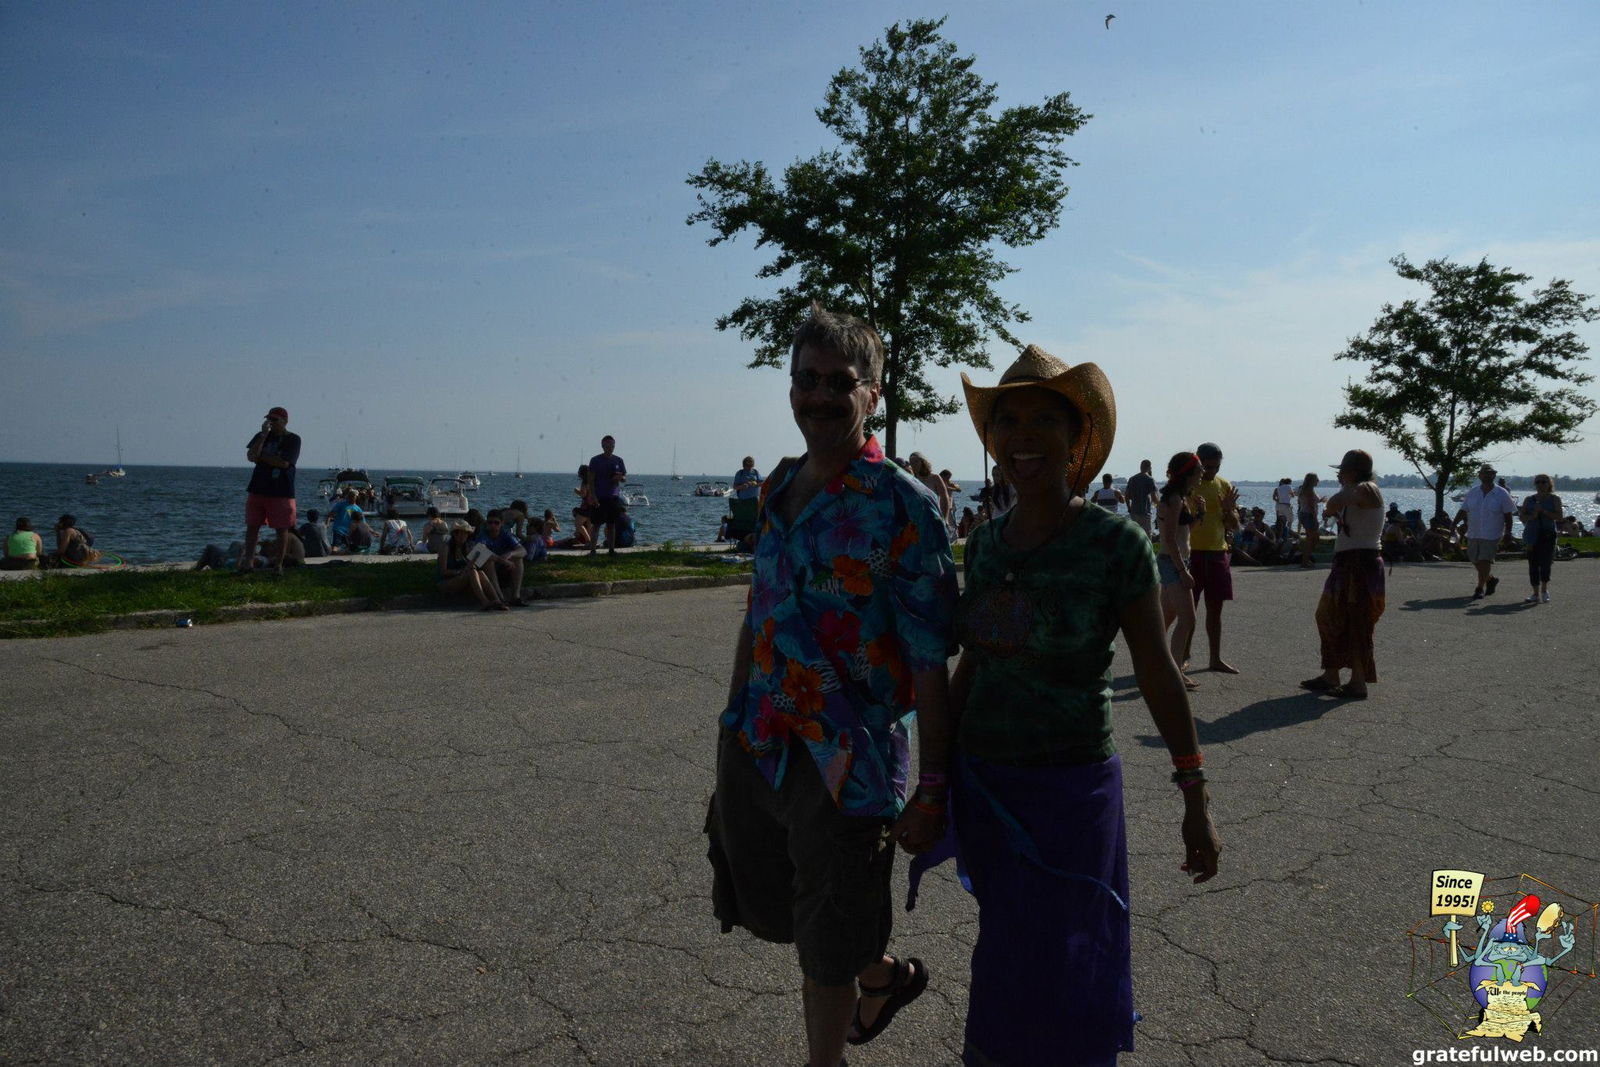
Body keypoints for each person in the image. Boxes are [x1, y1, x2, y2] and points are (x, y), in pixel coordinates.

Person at [919, 345, 1218, 1067]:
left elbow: (1157, 671)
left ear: (1077, 435)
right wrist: (931, 785)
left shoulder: (1115, 543)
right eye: (1007, 420)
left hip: (1072, 791)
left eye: (1043, 420)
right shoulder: (984, 545)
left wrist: (1194, 793)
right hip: (988, 784)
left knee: (1075, 949)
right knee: (1006, 945)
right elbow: (971, 668)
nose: (1022, 436)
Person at [705, 303, 957, 1067]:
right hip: (760, 741)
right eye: (805, 379)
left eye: (839, 382)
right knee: (788, 907)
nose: (819, 395)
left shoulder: (903, 505)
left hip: (848, 759)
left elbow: (929, 660)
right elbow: (760, 610)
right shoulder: (777, 485)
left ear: (873, 393)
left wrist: (933, 787)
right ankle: (880, 977)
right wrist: (732, 716)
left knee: (826, 931)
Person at [1301, 449, 1385, 700]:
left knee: (1358, 622)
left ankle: (1358, 683)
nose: (1339, 475)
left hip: (1361, 563)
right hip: (1348, 562)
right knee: (1329, 616)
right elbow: (1337, 504)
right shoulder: (1357, 490)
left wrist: (1334, 503)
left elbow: (1335, 502)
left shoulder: (1367, 488)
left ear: (1355, 472)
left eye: (1343, 471)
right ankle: (1331, 674)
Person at [1186, 442, 1241, 673]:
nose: (1212, 472)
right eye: (1207, 467)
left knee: (1215, 609)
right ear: (1198, 462)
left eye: (1216, 467)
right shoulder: (1189, 485)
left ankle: (1215, 658)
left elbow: (1235, 525)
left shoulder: (1224, 485)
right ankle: (1183, 656)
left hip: (1218, 552)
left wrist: (1229, 510)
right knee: (1189, 610)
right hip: (1192, 553)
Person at [1156, 453, 1204, 691]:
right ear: (1188, 473)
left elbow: (1185, 531)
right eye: (1200, 469)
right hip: (1173, 562)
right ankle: (1174, 673)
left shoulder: (1180, 497)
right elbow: (1169, 538)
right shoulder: (1174, 499)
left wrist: (1200, 514)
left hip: (1175, 561)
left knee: (1166, 618)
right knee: (1188, 619)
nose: (1202, 473)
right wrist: (1182, 570)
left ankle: (1157, 664)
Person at [240, 406, 301, 575]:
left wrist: (261, 457)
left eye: (275, 419)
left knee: (281, 529)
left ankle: (278, 566)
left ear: (285, 421)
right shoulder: (261, 436)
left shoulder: (293, 439)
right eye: (269, 419)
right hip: (257, 488)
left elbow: (284, 463)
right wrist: (263, 436)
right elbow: (251, 456)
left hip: (281, 492)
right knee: (252, 526)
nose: (271, 423)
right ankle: (248, 563)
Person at [1454, 463, 1515, 599]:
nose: (1487, 475)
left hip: (1492, 534)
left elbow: (1508, 515)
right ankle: (1490, 579)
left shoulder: (1501, 493)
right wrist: (1454, 524)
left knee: (1484, 560)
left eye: (1490, 473)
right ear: (1479, 475)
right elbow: (1464, 510)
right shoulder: (1473, 492)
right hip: (1474, 532)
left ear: (1494, 475)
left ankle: (1479, 588)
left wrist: (1508, 533)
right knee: (1474, 558)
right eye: (1484, 473)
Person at [437, 519, 507, 611]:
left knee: (480, 572)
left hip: (463, 577)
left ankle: (497, 600)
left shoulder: (466, 547)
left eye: (466, 534)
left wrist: (505, 561)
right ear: (455, 534)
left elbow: (487, 555)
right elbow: (444, 571)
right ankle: (485, 602)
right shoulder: (445, 547)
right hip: (446, 582)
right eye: (462, 534)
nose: (464, 536)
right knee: (472, 572)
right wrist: (460, 572)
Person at [1518, 474, 1563, 603]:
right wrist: (1533, 516)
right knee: (1533, 563)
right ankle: (1535, 593)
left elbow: (1559, 516)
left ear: (1549, 484)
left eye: (1543, 482)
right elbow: (1522, 517)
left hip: (1548, 534)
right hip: (1531, 534)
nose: (1540, 484)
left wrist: (1543, 511)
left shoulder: (1554, 499)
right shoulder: (1529, 499)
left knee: (1545, 563)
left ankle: (1544, 589)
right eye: (1537, 482)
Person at [474, 509, 527, 605]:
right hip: (486, 569)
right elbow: (481, 550)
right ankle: (500, 597)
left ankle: (516, 597)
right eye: (490, 522)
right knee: (487, 560)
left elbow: (523, 551)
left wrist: (511, 554)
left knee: (518, 559)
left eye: (496, 523)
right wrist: (503, 561)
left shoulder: (506, 534)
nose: (493, 525)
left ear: (502, 523)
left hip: (502, 566)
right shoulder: (483, 535)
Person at [588, 435, 627, 556]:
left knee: (611, 524)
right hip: (600, 497)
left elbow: (624, 477)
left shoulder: (618, 460)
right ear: (603, 445)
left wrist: (620, 478)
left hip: (613, 497)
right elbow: (591, 481)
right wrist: (593, 497)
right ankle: (593, 550)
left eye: (612, 445)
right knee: (596, 524)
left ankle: (611, 550)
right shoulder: (595, 460)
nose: (611, 447)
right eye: (608, 445)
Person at [906, 452, 952, 529]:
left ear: (923, 462)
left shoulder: (934, 478)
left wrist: (945, 518)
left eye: (916, 461)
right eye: (911, 463)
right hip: (917, 519)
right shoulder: (911, 480)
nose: (914, 465)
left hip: (933, 517)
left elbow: (944, 497)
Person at [1297, 473, 1324, 568]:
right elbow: (1311, 506)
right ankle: (1305, 561)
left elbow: (1309, 502)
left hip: (1304, 514)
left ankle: (1306, 558)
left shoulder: (1304, 489)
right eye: (1316, 479)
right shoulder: (1309, 490)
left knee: (1314, 538)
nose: (1318, 480)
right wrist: (1315, 518)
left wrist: (1320, 500)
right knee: (1311, 539)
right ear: (1312, 480)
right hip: (1309, 515)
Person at [1125, 459, 1158, 537]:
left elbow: (1127, 496)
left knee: (1134, 535)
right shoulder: (1150, 479)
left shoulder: (1132, 479)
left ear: (1140, 467)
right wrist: (1160, 506)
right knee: (1147, 535)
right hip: (1145, 512)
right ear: (1149, 467)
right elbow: (1154, 498)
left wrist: (1129, 507)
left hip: (1134, 511)